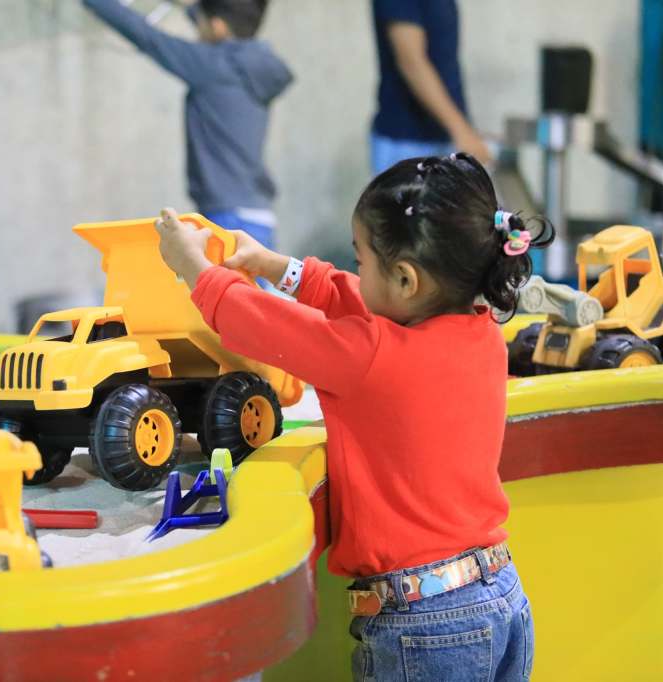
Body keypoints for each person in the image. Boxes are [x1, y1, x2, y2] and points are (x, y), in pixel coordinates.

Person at [154, 153, 551, 681]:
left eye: (361, 260)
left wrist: (194, 269)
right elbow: (364, 304)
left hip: (424, 624)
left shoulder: (369, 356)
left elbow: (262, 325)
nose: (355, 273)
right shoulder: (481, 335)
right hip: (500, 594)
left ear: (406, 279)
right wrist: (275, 266)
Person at [83, 0, 293, 249]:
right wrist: (193, 7)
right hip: (259, 217)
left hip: (228, 220)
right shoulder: (256, 64)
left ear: (217, 26)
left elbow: (147, 36)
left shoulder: (213, 66)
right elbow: (215, 20)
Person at [371, 0, 491, 175]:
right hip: (408, 143)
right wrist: (462, 131)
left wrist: (466, 130)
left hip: (441, 139)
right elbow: (411, 63)